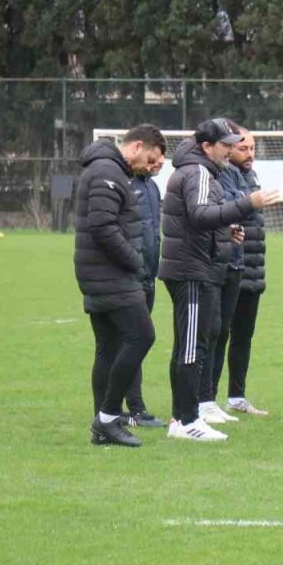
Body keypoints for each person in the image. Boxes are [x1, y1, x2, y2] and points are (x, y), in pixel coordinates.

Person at [160, 118, 280, 442]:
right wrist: (246, 204)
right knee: (191, 347)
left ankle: (183, 417)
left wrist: (225, 232)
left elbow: (195, 220)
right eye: (226, 145)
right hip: (191, 270)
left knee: (192, 344)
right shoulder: (198, 172)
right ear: (206, 146)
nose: (230, 150)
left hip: (192, 267)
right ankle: (186, 421)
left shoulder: (202, 172)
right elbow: (199, 216)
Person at [75, 124, 166, 447]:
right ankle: (108, 417)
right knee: (142, 336)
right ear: (137, 146)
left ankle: (103, 422)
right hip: (110, 274)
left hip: (99, 273)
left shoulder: (107, 169)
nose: (150, 166)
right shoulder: (106, 171)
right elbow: (102, 226)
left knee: (109, 348)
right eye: (151, 158)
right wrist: (134, 260)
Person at [214, 126, 271, 417]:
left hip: (252, 269)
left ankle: (236, 396)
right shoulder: (220, 174)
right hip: (230, 267)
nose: (250, 153)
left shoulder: (250, 175)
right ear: (229, 148)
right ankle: (206, 401)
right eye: (243, 148)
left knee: (243, 336)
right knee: (219, 334)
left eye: (252, 148)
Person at [122, 147, 165, 427]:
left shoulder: (152, 187)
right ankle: (133, 409)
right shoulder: (122, 184)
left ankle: (115, 409)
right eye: (156, 156)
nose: (160, 161)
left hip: (149, 277)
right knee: (133, 341)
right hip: (128, 279)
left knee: (133, 342)